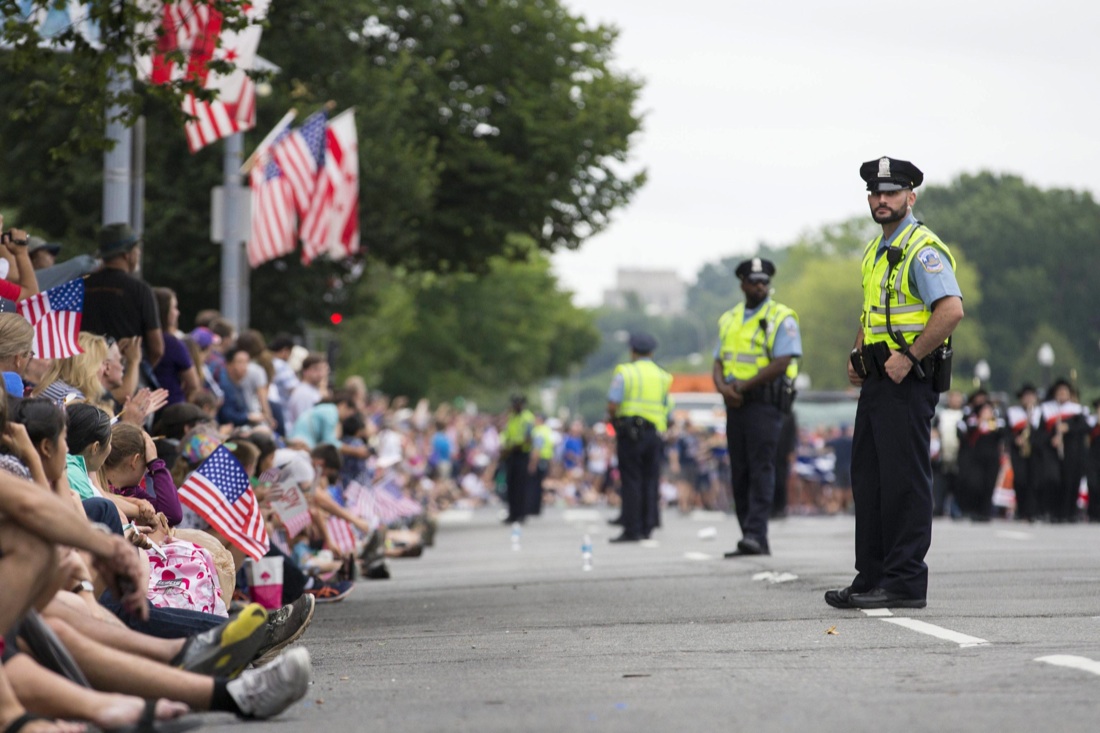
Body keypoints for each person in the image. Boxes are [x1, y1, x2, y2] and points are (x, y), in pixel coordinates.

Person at [826, 156, 964, 611]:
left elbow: (950, 310)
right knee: (869, 480)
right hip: (878, 379)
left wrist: (909, 356)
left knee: (902, 481)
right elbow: (873, 314)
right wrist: (856, 353)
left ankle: (904, 582)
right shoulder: (875, 250)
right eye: (876, 194)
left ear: (910, 196)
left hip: (908, 379)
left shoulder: (922, 248)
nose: (882, 200)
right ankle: (871, 577)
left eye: (891, 192)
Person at [713, 258, 801, 557]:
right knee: (740, 470)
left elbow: (782, 361)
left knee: (761, 467)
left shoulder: (780, 317)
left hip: (765, 404)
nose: (760, 286)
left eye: (764, 281)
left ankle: (756, 534)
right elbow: (718, 361)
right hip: (736, 403)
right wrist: (725, 389)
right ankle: (747, 534)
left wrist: (740, 387)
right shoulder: (730, 318)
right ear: (742, 284)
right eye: (754, 282)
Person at [607, 332, 672, 543]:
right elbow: (667, 407)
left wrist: (614, 422)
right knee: (650, 480)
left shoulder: (625, 373)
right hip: (654, 433)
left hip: (630, 433)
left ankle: (632, 528)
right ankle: (648, 525)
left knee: (631, 480)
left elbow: (613, 403)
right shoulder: (663, 376)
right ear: (652, 352)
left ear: (632, 351)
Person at [81, 223, 163, 368]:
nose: (138, 254)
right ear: (127, 254)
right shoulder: (140, 290)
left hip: (86, 372)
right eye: (137, 249)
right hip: (124, 376)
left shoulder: (82, 285)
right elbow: (157, 349)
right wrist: (135, 371)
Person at [1006, 384, 1043, 522]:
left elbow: (1043, 433)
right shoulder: (1013, 412)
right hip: (1019, 452)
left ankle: (1032, 512)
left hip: (1035, 452)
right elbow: (1007, 432)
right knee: (1020, 480)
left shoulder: (1039, 413)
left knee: (1034, 481)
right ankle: (1021, 510)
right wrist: (1016, 439)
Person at [500, 395, 535, 524]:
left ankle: (521, 514)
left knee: (521, 486)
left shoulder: (527, 417)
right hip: (511, 455)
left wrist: (514, 446)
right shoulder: (511, 417)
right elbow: (507, 434)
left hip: (522, 454)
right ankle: (512, 513)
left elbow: (528, 438)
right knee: (511, 485)